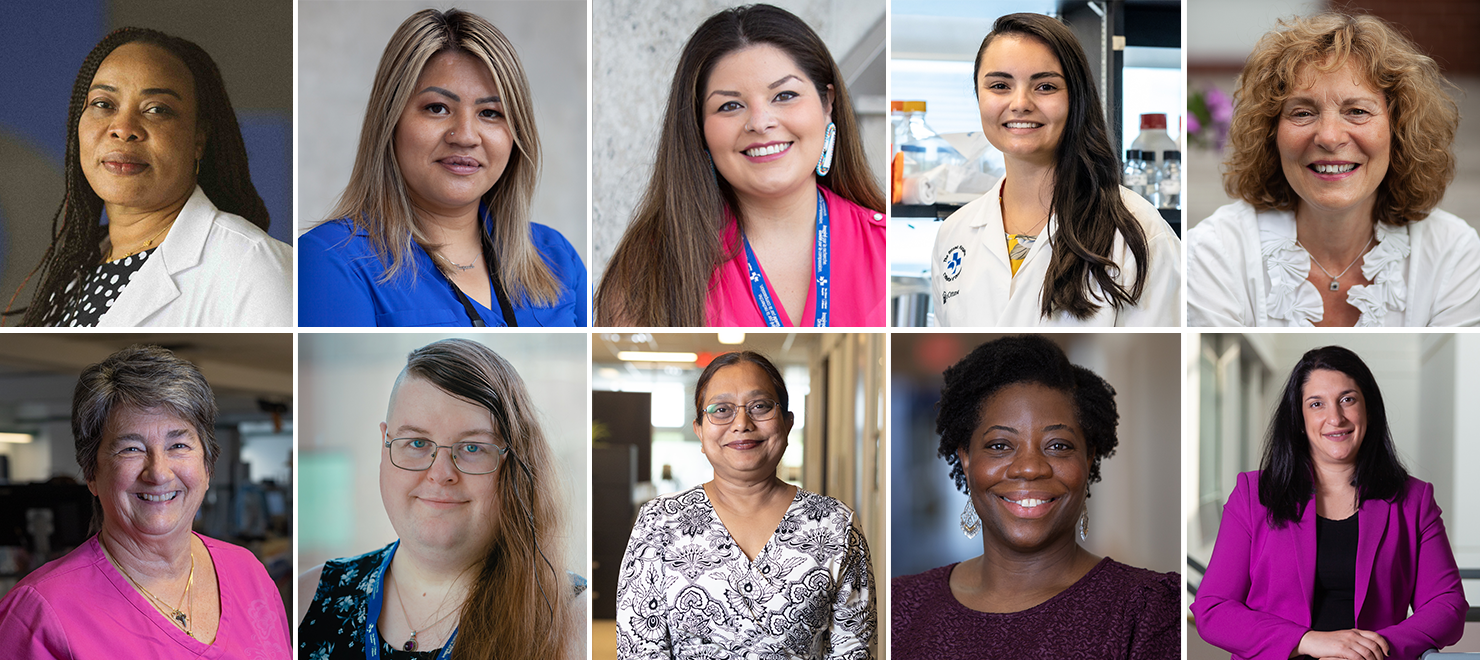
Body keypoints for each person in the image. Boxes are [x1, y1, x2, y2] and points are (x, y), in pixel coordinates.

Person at [595, 4, 886, 327]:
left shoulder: (889, 247)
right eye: (730, 105)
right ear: (699, 127)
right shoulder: (648, 270)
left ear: (827, 103)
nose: (760, 123)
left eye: (785, 95)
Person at [892, 335, 1178, 659]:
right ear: (967, 459)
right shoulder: (901, 606)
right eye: (1000, 445)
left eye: (1058, 445)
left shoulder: (1148, 611)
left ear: (1087, 460)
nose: (1029, 468)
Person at [298, 339, 585, 659]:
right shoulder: (305, 599)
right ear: (385, 445)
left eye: (473, 448)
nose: (440, 473)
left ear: (515, 464)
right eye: (418, 442)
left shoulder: (573, 619)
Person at [1187, 13, 1479, 327]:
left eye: (1357, 111)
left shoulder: (1453, 254)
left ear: (1400, 128)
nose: (1328, 136)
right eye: (1302, 112)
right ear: (1271, 132)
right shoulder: (1214, 252)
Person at [298, 9, 586, 327]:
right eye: (437, 108)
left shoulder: (557, 257)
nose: (464, 136)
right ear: (389, 122)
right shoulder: (330, 260)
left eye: (490, 113)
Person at [0, 345, 291, 657]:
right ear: (91, 473)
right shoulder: (38, 612)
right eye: (131, 449)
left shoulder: (249, 572)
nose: (158, 472)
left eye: (178, 445)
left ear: (208, 466)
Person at [1192, 346, 1467, 659]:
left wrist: (1368, 651)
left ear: (1369, 410)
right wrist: (1309, 641)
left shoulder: (1414, 500)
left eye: (1347, 399)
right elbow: (1213, 610)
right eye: (1316, 404)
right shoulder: (1253, 494)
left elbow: (1448, 605)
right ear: (1299, 418)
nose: (1335, 417)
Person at [5, 28, 291, 327]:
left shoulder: (253, 266)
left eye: (156, 110)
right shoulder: (83, 263)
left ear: (198, 139)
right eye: (103, 104)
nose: (123, 127)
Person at [615, 351, 875, 657]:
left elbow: (853, 650)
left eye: (760, 406)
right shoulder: (658, 523)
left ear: (787, 423)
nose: (741, 423)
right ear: (699, 429)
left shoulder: (835, 524)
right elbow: (639, 649)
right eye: (721, 409)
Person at [928, 14, 1181, 327]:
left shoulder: (1137, 229)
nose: (1020, 103)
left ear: (1077, 98)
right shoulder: (954, 234)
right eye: (999, 85)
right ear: (979, 96)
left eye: (1045, 86)